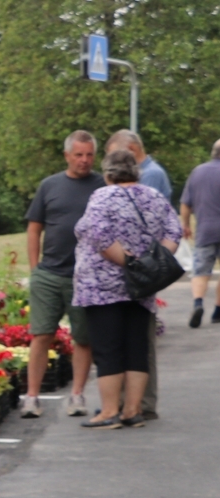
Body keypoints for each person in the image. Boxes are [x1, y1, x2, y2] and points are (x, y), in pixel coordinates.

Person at [72, 149, 181, 430]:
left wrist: (129, 262)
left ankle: (109, 411)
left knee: (108, 349)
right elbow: (174, 230)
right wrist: (151, 264)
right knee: (136, 348)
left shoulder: (102, 196)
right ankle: (133, 411)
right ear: (136, 171)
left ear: (108, 174)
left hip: (102, 288)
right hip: (142, 288)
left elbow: (99, 235)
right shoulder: (154, 197)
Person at [23, 131, 103, 419]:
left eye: (89, 154)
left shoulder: (101, 186)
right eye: (78, 154)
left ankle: (77, 395)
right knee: (41, 335)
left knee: (83, 338)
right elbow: (34, 228)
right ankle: (32, 397)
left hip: (84, 276)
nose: (84, 160)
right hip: (49, 274)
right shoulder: (50, 185)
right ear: (67, 155)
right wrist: (35, 269)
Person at [102, 131, 167, 417]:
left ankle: (138, 403)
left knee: (139, 343)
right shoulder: (152, 174)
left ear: (131, 150)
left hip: (134, 273)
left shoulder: (148, 178)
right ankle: (135, 403)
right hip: (141, 273)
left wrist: (142, 262)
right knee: (138, 341)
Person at [181, 140, 220, 327]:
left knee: (201, 271)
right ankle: (218, 311)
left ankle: (198, 303)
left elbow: (186, 202)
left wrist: (185, 224)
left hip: (205, 230)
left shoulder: (198, 172)